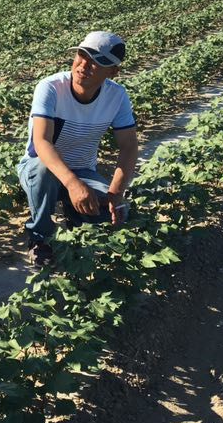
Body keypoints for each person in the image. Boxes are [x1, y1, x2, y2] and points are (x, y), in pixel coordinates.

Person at [17, 31, 138, 266]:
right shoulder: (50, 87)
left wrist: (115, 193)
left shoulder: (117, 96)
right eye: (82, 56)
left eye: (96, 62)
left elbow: (129, 146)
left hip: (83, 170)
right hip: (40, 168)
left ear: (113, 72)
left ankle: (75, 215)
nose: (84, 65)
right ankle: (40, 238)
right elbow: (42, 143)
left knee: (109, 217)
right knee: (44, 169)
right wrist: (73, 184)